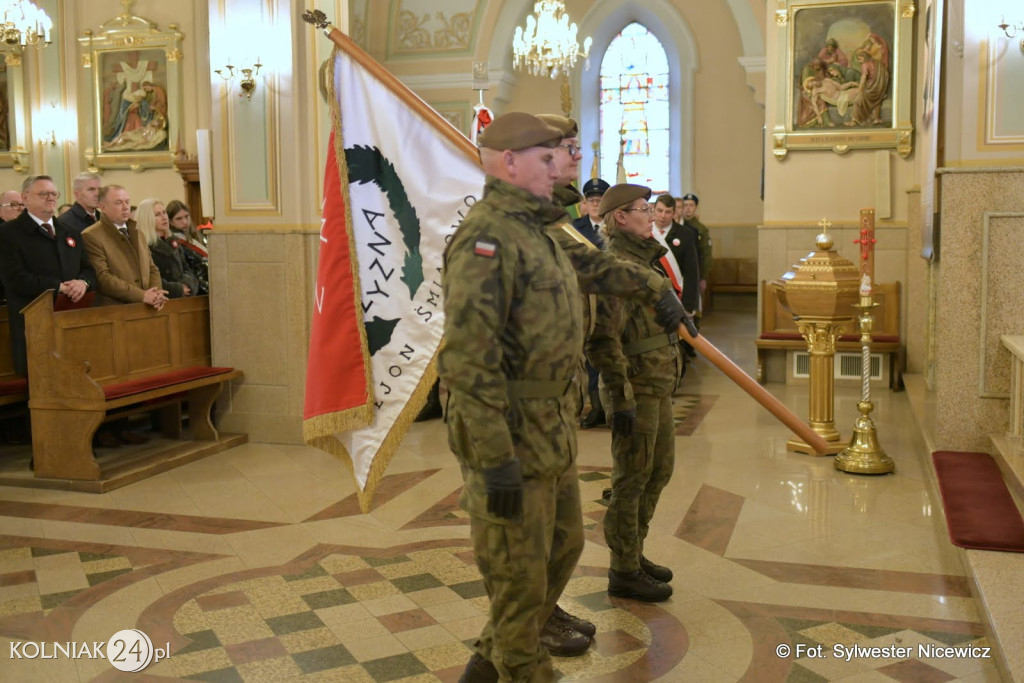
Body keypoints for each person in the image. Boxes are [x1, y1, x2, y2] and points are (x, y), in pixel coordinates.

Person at [440, 112, 684, 682]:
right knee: (520, 578)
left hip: (549, 420)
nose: (566, 165)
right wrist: (494, 458)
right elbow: (467, 364)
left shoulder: (537, 230)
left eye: (566, 154)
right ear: (509, 163)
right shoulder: (487, 239)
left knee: (563, 548)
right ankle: (520, 667)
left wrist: (654, 288)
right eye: (550, 157)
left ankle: (485, 662)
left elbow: (596, 266)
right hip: (506, 426)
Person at [587, 183, 684, 603]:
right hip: (635, 388)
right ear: (621, 218)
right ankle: (622, 569)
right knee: (631, 479)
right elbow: (601, 341)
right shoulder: (615, 269)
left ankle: (634, 551)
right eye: (643, 209)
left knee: (658, 471)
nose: (651, 214)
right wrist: (619, 396)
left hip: (657, 382)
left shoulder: (644, 261)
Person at [0, 175, 96, 375]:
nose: (51, 198)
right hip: (34, 321)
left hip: (70, 318)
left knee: (75, 377)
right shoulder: (9, 233)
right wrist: (59, 287)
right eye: (43, 194)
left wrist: (83, 283)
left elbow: (88, 269)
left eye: (54, 193)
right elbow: (14, 278)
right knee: (40, 384)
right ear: (25, 198)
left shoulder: (69, 232)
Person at [82, 185, 167, 309]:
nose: (125, 207)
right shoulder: (91, 235)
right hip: (116, 309)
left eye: (127, 202)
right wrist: (141, 295)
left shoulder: (137, 231)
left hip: (148, 306)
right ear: (103, 207)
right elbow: (103, 278)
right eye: (118, 203)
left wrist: (156, 293)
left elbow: (151, 268)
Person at [135, 198, 198, 298]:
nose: (164, 217)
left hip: (184, 297)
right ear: (147, 219)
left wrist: (187, 285)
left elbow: (186, 268)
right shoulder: (143, 244)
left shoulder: (171, 240)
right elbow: (148, 278)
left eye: (164, 213)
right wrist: (178, 289)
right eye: (157, 215)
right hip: (162, 298)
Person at [652, 194, 700, 317]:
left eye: (668, 212)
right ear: (654, 210)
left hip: (676, 294)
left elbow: (691, 272)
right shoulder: (645, 232)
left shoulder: (686, 234)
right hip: (651, 296)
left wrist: (688, 305)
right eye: (660, 210)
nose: (663, 215)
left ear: (674, 213)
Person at [571, 177, 609, 250]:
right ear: (586, 203)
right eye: (591, 200)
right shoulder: (574, 227)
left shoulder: (615, 227)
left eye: (599, 200)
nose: (595, 204)